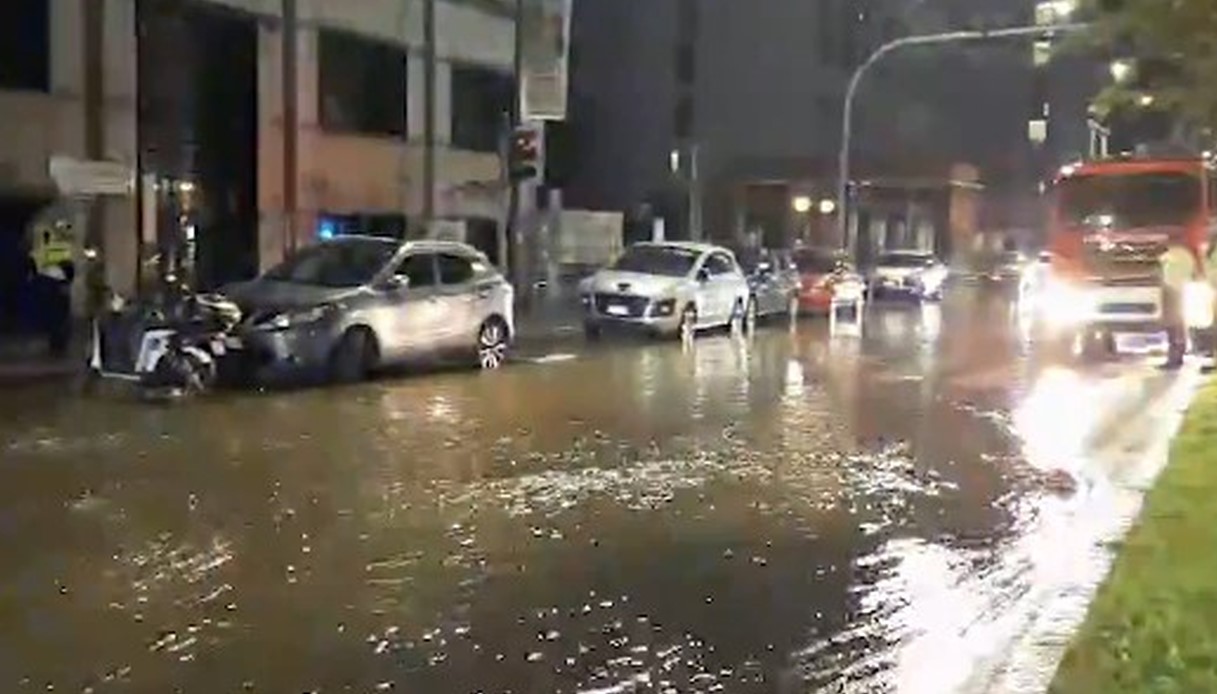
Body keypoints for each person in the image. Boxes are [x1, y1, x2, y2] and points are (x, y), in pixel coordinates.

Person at [1160, 236, 1199, 369]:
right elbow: (1193, 273)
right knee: (1178, 324)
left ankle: (1174, 359)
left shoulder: (1173, 254)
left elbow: (1162, 260)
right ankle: (1177, 356)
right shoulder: (1186, 255)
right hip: (1180, 289)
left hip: (1172, 290)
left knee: (1173, 326)